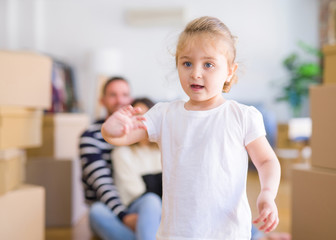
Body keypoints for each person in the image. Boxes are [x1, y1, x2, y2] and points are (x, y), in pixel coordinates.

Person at [101, 16, 281, 240]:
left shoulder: (242, 116)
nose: (195, 73)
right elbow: (123, 137)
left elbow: (266, 161)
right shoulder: (164, 114)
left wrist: (267, 194)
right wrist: (111, 130)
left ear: (229, 71)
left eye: (208, 64)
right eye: (187, 63)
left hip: (227, 232)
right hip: (177, 233)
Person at [79, 77, 161, 240]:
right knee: (97, 212)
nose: (120, 100)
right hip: (113, 207)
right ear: (102, 100)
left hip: (145, 206)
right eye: (113, 95)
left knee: (151, 204)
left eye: (125, 95)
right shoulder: (91, 136)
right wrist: (123, 215)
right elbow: (102, 183)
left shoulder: (146, 137)